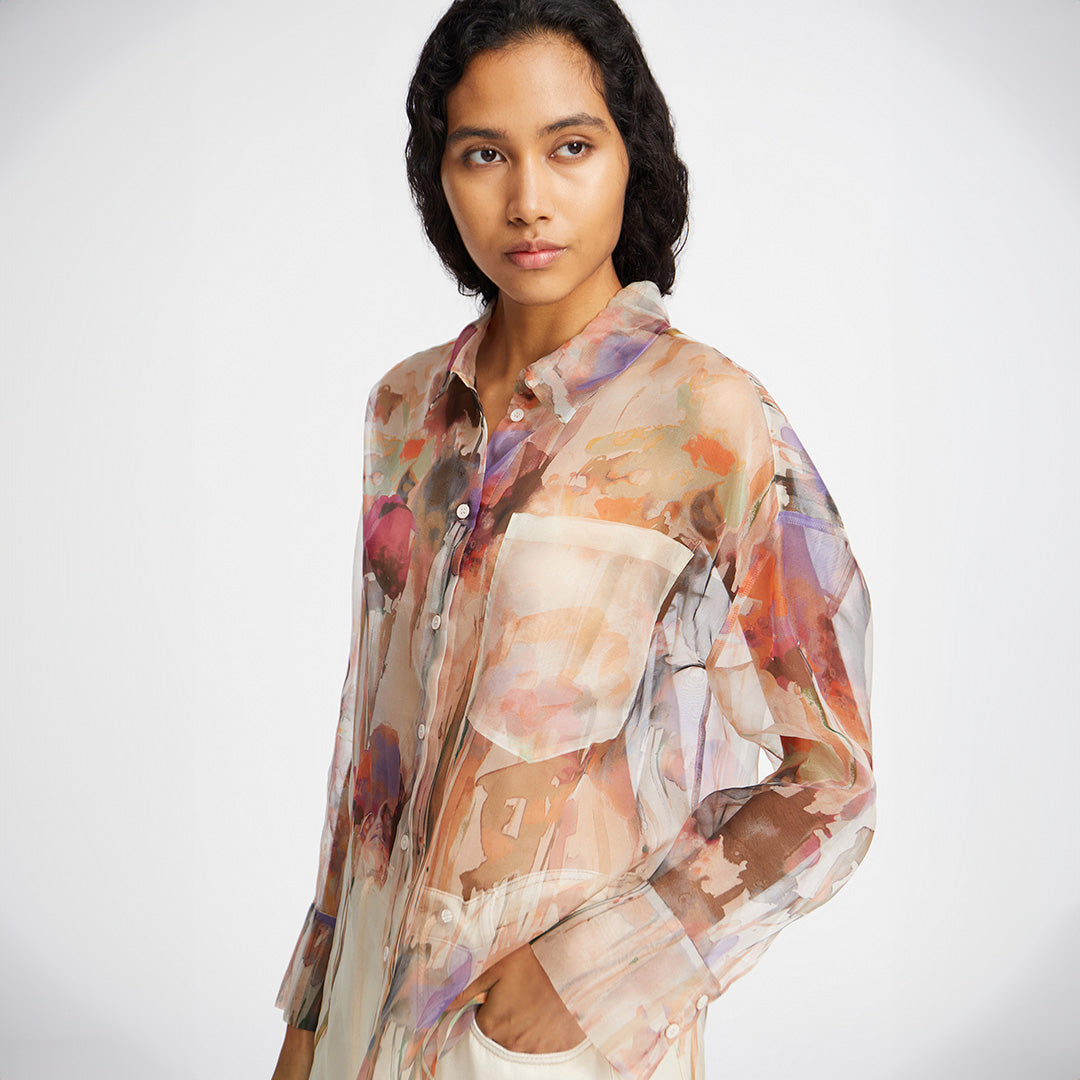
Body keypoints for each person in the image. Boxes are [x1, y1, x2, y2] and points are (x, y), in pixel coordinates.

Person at [271, 1, 875, 1078]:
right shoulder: (406, 410)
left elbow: (832, 777)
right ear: (438, 175)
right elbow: (372, 757)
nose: (527, 199)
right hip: (368, 1023)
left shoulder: (705, 415)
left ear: (630, 155)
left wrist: (601, 970)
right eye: (484, 154)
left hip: (553, 1040)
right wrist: (310, 1020)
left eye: (570, 147)